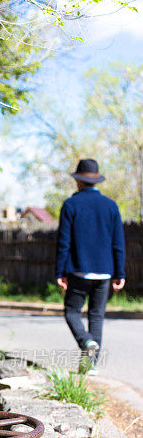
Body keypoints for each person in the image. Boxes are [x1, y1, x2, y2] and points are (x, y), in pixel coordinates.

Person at [55, 158, 125, 374]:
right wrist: (119, 272)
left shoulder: (71, 205)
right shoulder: (111, 206)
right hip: (105, 272)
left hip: (78, 270)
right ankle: (90, 366)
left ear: (78, 180)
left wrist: (60, 272)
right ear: (96, 182)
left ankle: (85, 341)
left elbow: (63, 242)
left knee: (71, 312)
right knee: (96, 316)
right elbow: (118, 243)